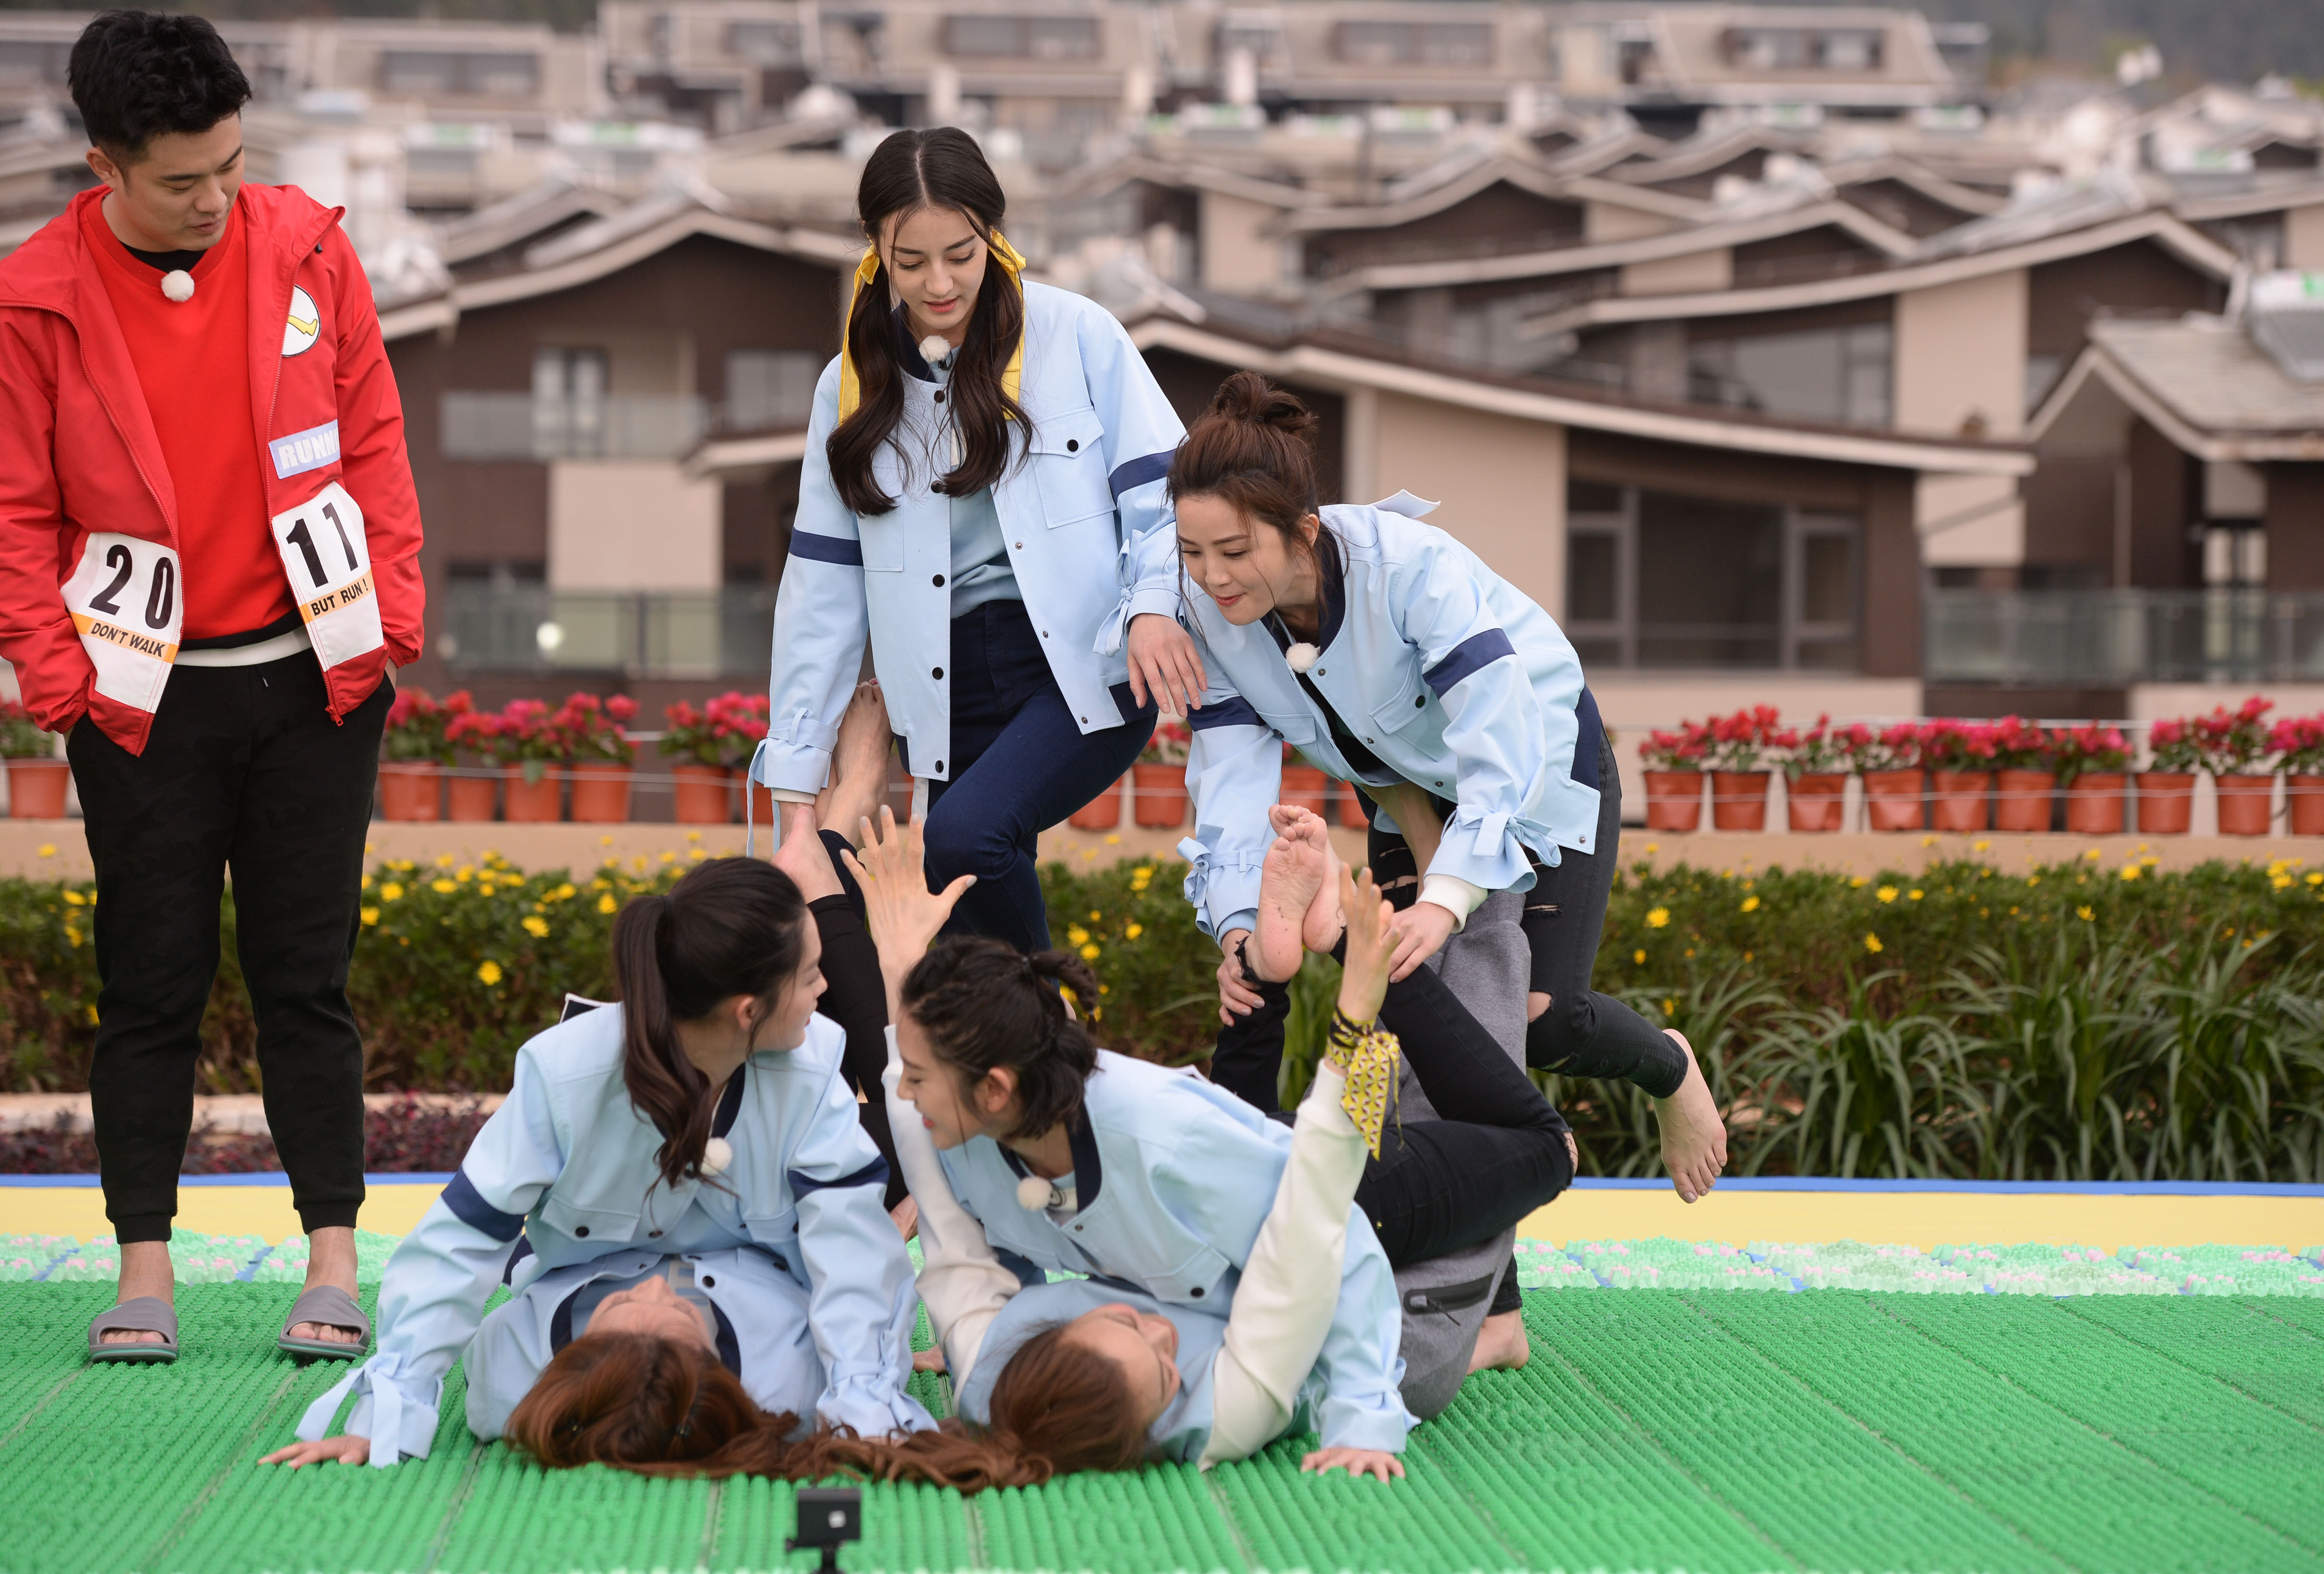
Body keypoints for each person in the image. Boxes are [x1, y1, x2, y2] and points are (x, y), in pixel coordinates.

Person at [400, 799, 1569, 1490]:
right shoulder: (1232, 1397)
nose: (890, 1094)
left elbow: (1328, 1204)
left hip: (1334, 1196)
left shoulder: (1041, 1164)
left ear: (987, 1090)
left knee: (1525, 1149)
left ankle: (1576, 1051)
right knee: (1404, 1349)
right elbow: (952, 1171)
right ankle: (1481, 1311)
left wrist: (1362, 1410)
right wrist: (1360, 1408)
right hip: (1266, 1230)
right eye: (1151, 1354)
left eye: (907, 1074)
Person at [0, 11, 423, 1363]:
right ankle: (142, 1274)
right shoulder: (35, 298)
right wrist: (59, 682)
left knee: (309, 977)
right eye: (182, 180)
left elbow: (374, 439)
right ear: (102, 163)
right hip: (144, 703)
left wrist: (392, 621)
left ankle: (334, 1263)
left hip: (312, 683)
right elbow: (16, 513)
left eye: (230, 167)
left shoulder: (309, 247)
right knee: (151, 982)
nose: (213, 200)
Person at [1167, 372, 1727, 1205]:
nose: (1212, 578)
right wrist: (1239, 932)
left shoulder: (1411, 569)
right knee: (1420, 1026)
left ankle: (1669, 1066)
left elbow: (1497, 734)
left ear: (1304, 533)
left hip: (1534, 760)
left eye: (1236, 552)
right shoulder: (1207, 614)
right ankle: (1471, 1292)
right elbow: (1230, 785)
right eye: (1190, 552)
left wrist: (1448, 896)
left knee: (1537, 1015)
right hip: (1403, 789)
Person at [258, 857, 932, 1469]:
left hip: (766, 1308)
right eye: (813, 975)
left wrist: (865, 1408)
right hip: (581, 1303)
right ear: (749, 1009)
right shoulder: (565, 1073)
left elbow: (854, 1257)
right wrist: (392, 1406)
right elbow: (463, 1239)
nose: (825, 990)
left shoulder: (814, 1071)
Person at [756, 125, 1202, 954]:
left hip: (1082, 669)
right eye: (911, 260)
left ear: (993, 234)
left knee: (958, 844)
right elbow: (821, 593)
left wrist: (1151, 607)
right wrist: (794, 801)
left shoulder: (1077, 334)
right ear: (875, 252)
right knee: (959, 935)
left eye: (960, 254)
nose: (939, 282)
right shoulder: (848, 386)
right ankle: (1033, 1068)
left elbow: (1163, 496)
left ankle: (1056, 1029)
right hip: (940, 689)